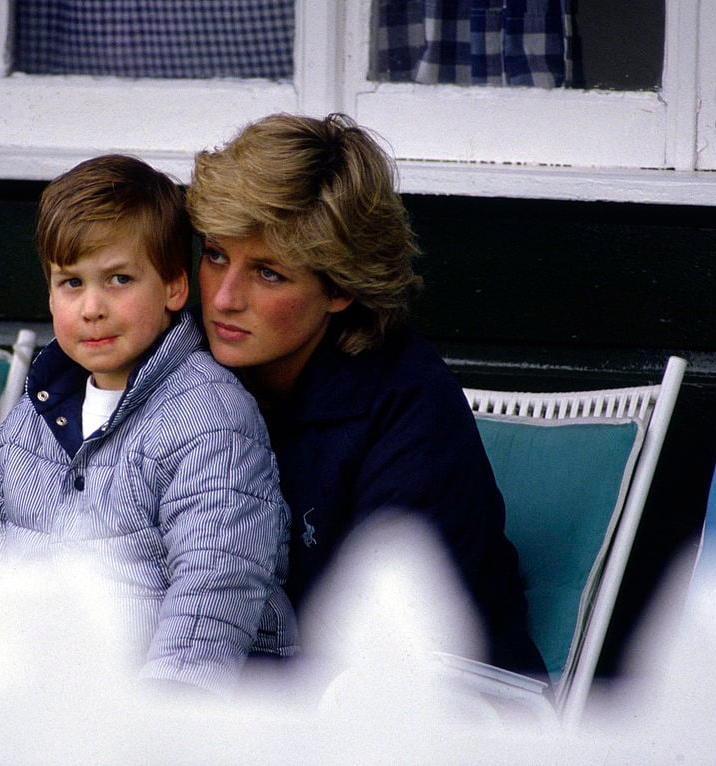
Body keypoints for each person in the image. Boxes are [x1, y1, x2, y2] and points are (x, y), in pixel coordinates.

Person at [0, 154, 297, 695]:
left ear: (173, 287)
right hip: (42, 697)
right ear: (49, 295)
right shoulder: (33, 416)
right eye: (71, 283)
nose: (91, 307)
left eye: (118, 279)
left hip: (169, 714)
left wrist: (163, 718)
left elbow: (217, 578)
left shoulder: (210, 419)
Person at [186, 113, 545, 677]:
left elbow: (386, 645)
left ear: (340, 287)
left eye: (269, 274)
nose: (225, 298)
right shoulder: (183, 364)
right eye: (215, 255)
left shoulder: (412, 411)